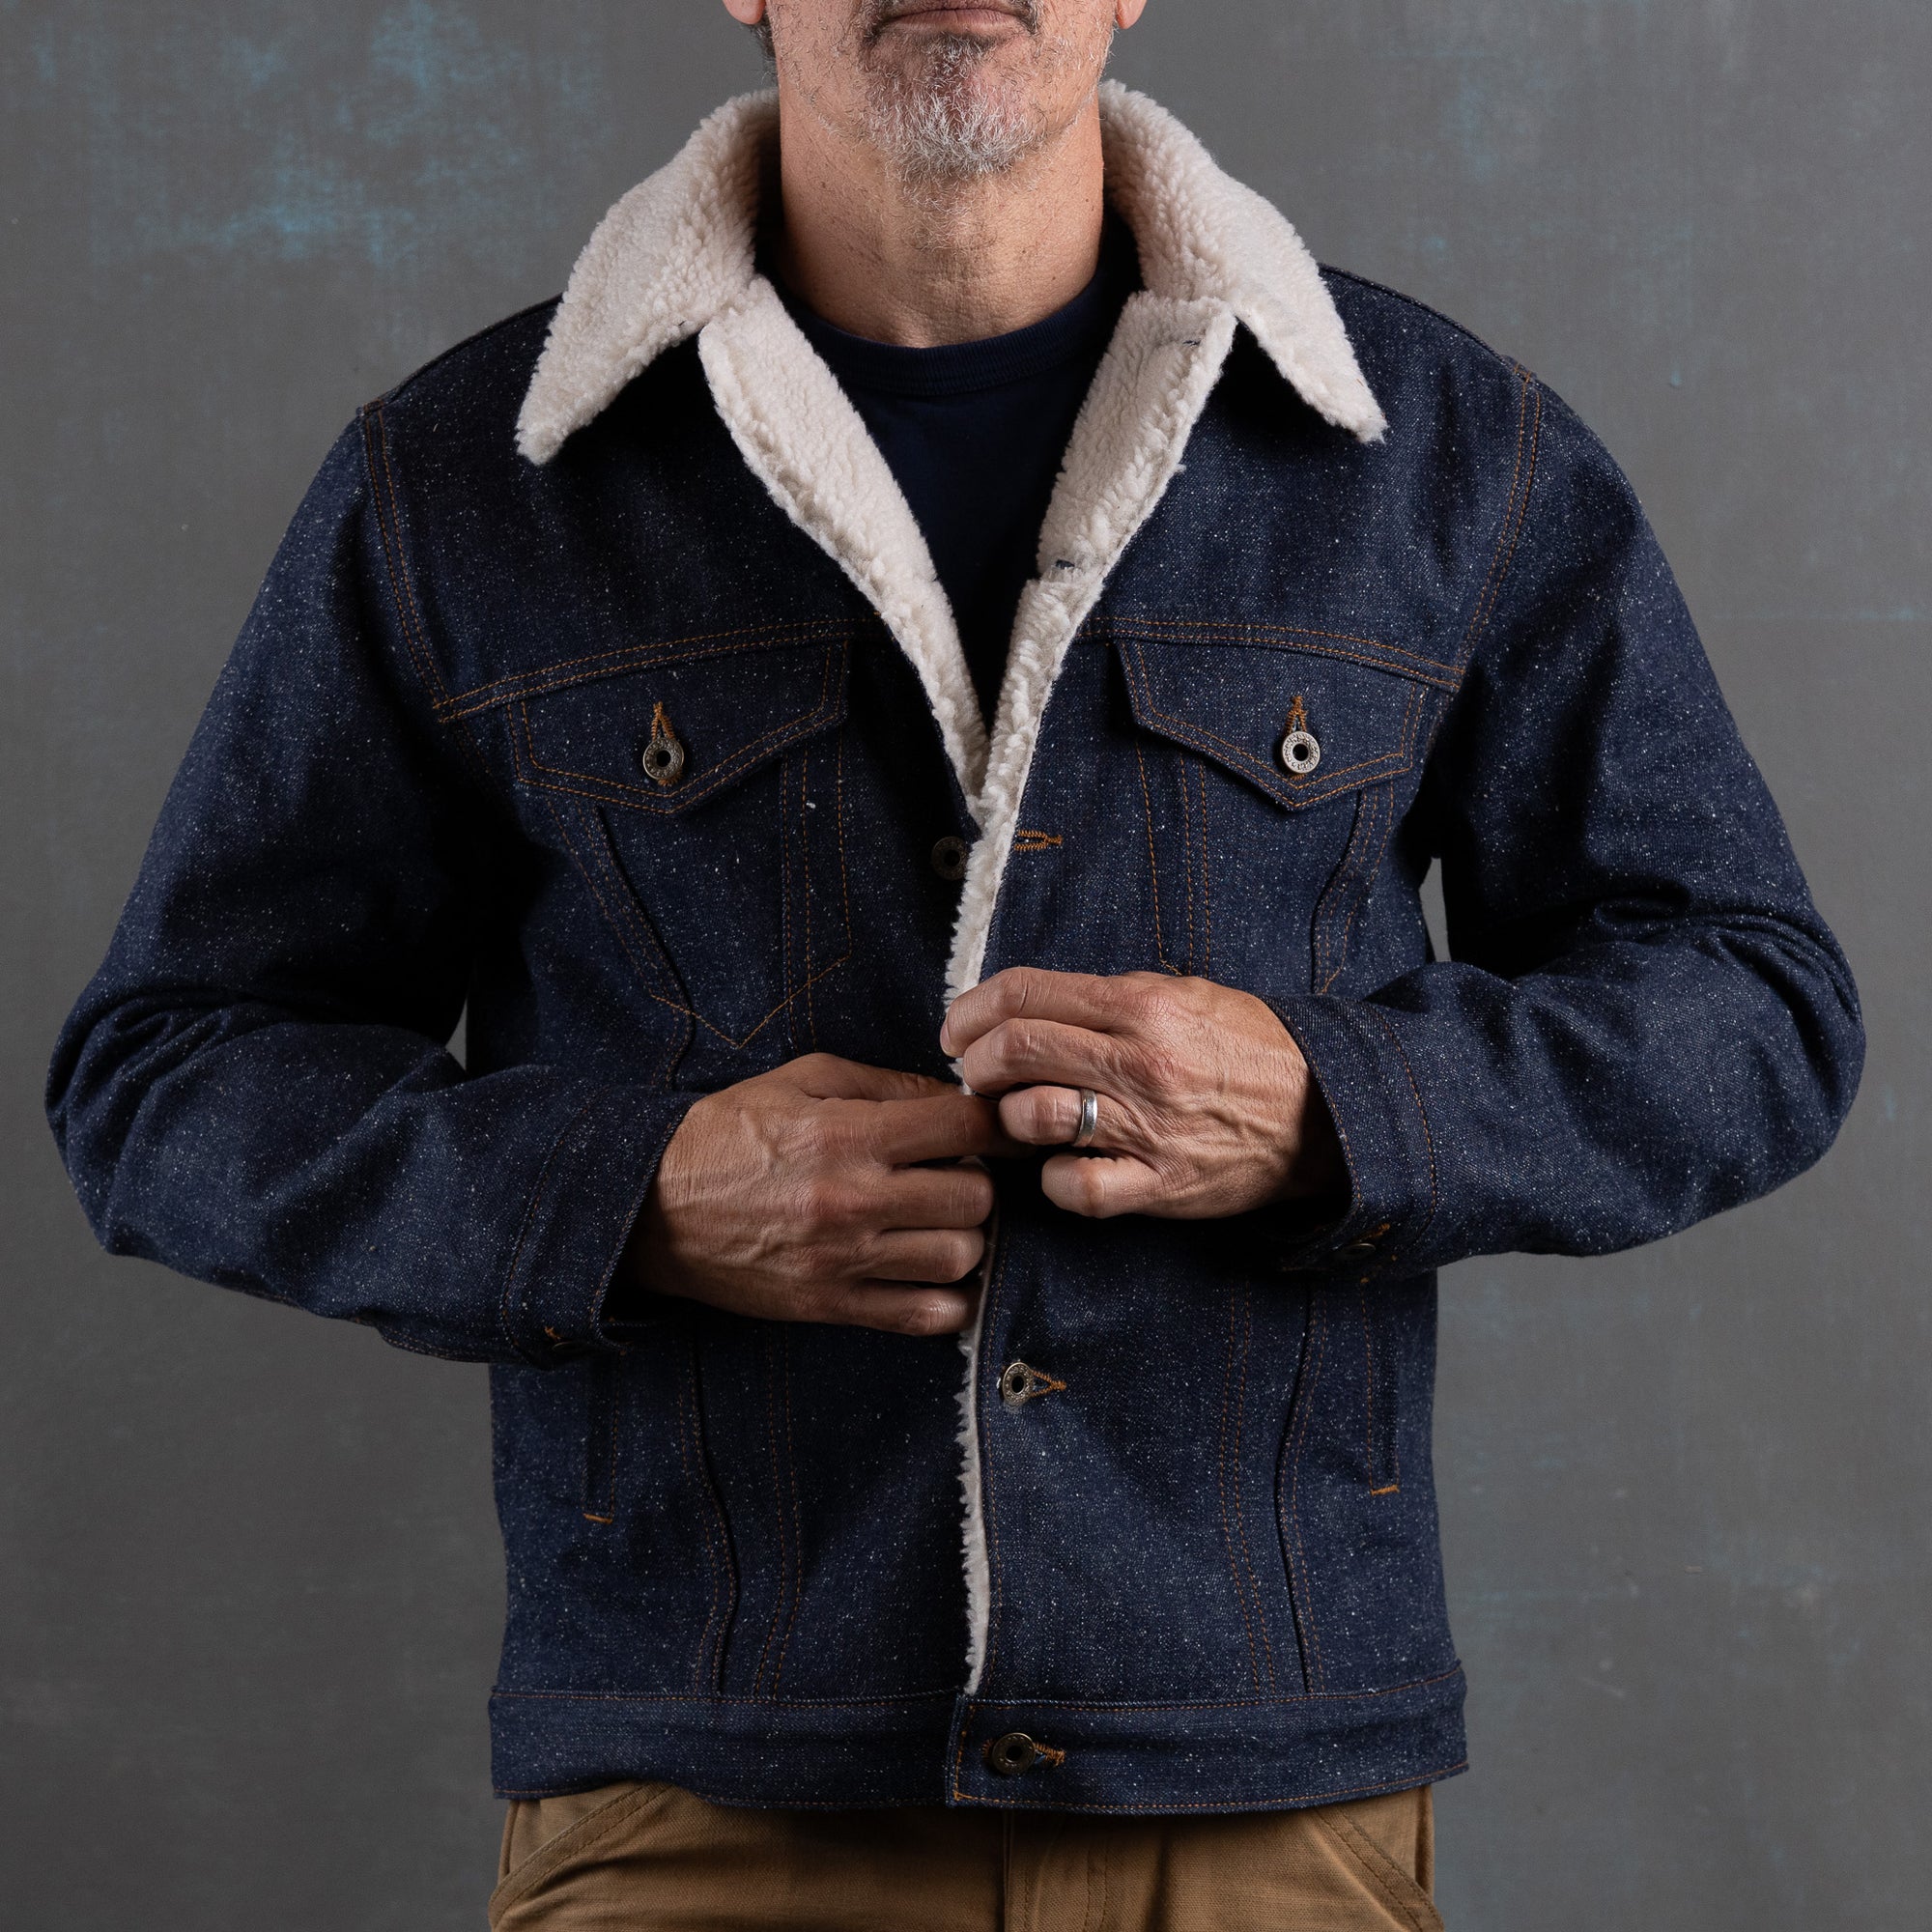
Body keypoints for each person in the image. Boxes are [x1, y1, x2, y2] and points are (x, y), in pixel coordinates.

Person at [47, 1, 1863, 1925]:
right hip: (703, 1804)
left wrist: (1335, 1108)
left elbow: (1752, 1005)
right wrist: (633, 1194)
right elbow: (167, 1075)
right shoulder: (467, 483)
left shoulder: (1434, 456)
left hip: (1264, 1804)